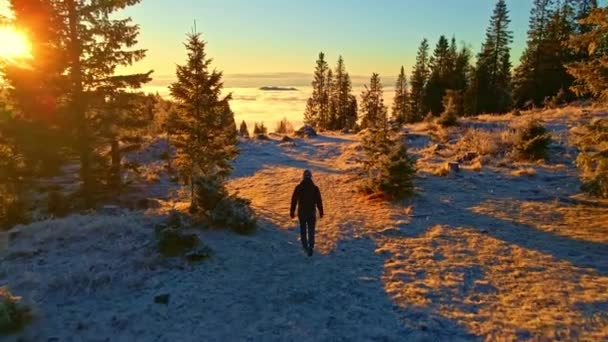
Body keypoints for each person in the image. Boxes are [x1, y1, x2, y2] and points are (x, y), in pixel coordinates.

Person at [290, 169, 324, 256]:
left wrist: (292, 211)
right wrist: (321, 211)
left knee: (303, 230)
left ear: (303, 177)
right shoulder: (315, 188)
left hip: (302, 212)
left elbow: (294, 200)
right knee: (311, 230)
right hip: (311, 212)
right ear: (311, 177)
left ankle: (305, 246)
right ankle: (311, 246)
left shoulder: (298, 187)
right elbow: (319, 201)